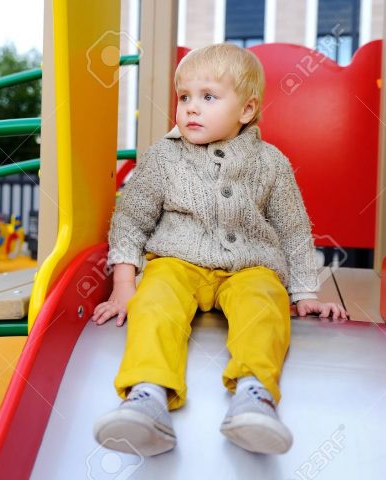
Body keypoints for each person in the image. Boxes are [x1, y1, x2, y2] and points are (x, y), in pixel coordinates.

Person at [92, 43, 347, 457]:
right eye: (184, 97)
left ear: (246, 110)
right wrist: (124, 283)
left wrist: (305, 294)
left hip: (249, 266)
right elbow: (131, 219)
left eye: (208, 97)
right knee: (154, 303)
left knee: (265, 303)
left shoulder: (271, 163)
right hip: (176, 261)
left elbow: (294, 231)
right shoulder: (163, 157)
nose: (191, 108)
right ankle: (146, 397)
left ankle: (255, 394)